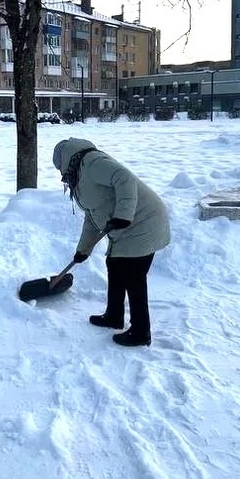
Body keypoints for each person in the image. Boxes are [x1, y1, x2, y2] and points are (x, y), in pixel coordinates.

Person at [52, 137, 170, 347]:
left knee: (133, 275)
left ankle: (141, 332)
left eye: (61, 170)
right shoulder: (80, 175)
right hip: (127, 228)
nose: (62, 176)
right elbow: (92, 214)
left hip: (144, 221)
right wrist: (83, 250)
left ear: (66, 160)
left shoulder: (92, 162)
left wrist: (123, 215)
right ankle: (114, 316)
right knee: (115, 264)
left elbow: (124, 179)